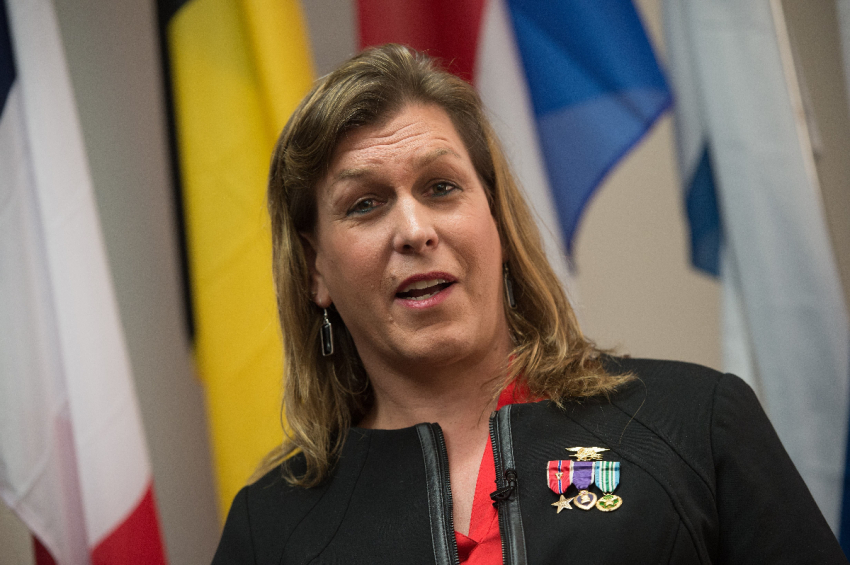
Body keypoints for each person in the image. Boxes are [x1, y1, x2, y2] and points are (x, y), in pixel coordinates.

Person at [212, 44, 846, 564]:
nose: (413, 229)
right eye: (365, 204)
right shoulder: (268, 531)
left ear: (497, 223)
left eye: (441, 187)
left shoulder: (698, 426)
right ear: (316, 269)